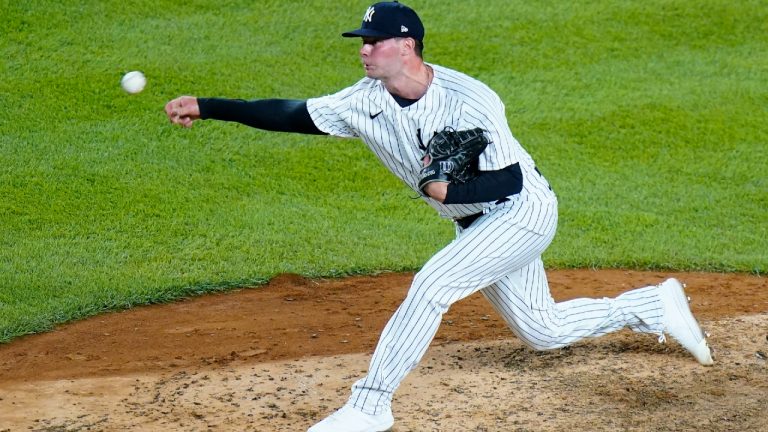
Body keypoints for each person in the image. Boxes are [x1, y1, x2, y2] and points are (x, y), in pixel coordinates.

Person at [164, 2, 714, 431]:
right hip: (478, 224)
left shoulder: (469, 100)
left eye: (374, 42)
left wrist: (450, 187)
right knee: (542, 331)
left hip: (520, 212)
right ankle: (651, 304)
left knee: (432, 284)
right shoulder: (366, 99)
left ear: (407, 46)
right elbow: (295, 115)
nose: (364, 51)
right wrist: (210, 107)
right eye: (362, 42)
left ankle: (371, 404)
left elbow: (512, 179)